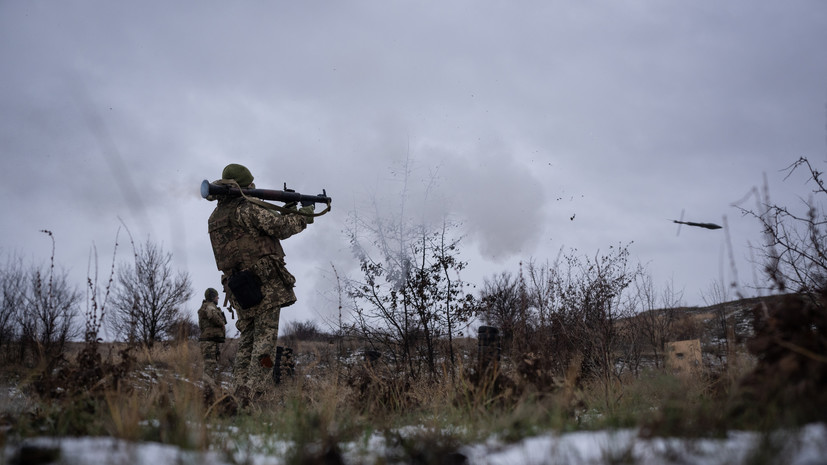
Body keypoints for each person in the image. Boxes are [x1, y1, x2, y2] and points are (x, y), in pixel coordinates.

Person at [206, 163, 315, 402]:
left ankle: (238, 392)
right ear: (245, 184)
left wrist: (287, 210)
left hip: (237, 287)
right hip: (263, 284)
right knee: (264, 343)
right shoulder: (246, 208)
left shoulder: (216, 216)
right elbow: (279, 228)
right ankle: (256, 396)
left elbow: (253, 234)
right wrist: (304, 215)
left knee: (248, 340)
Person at [198, 287, 227, 383]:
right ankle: (206, 393)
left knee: (210, 366)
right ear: (212, 297)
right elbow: (212, 316)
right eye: (216, 297)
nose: (218, 299)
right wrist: (221, 323)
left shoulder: (206, 306)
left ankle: (208, 392)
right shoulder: (210, 306)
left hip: (210, 341)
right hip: (209, 342)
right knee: (209, 367)